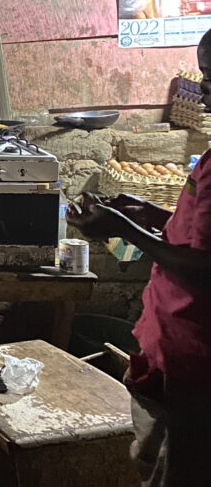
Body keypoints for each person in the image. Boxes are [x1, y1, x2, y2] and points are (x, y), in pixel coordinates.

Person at [67, 30, 211, 485]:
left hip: (197, 360)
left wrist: (122, 228)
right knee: (155, 463)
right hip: (173, 344)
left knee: (179, 470)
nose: (204, 91)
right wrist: (150, 212)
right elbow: (199, 236)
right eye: (203, 76)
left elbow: (205, 268)